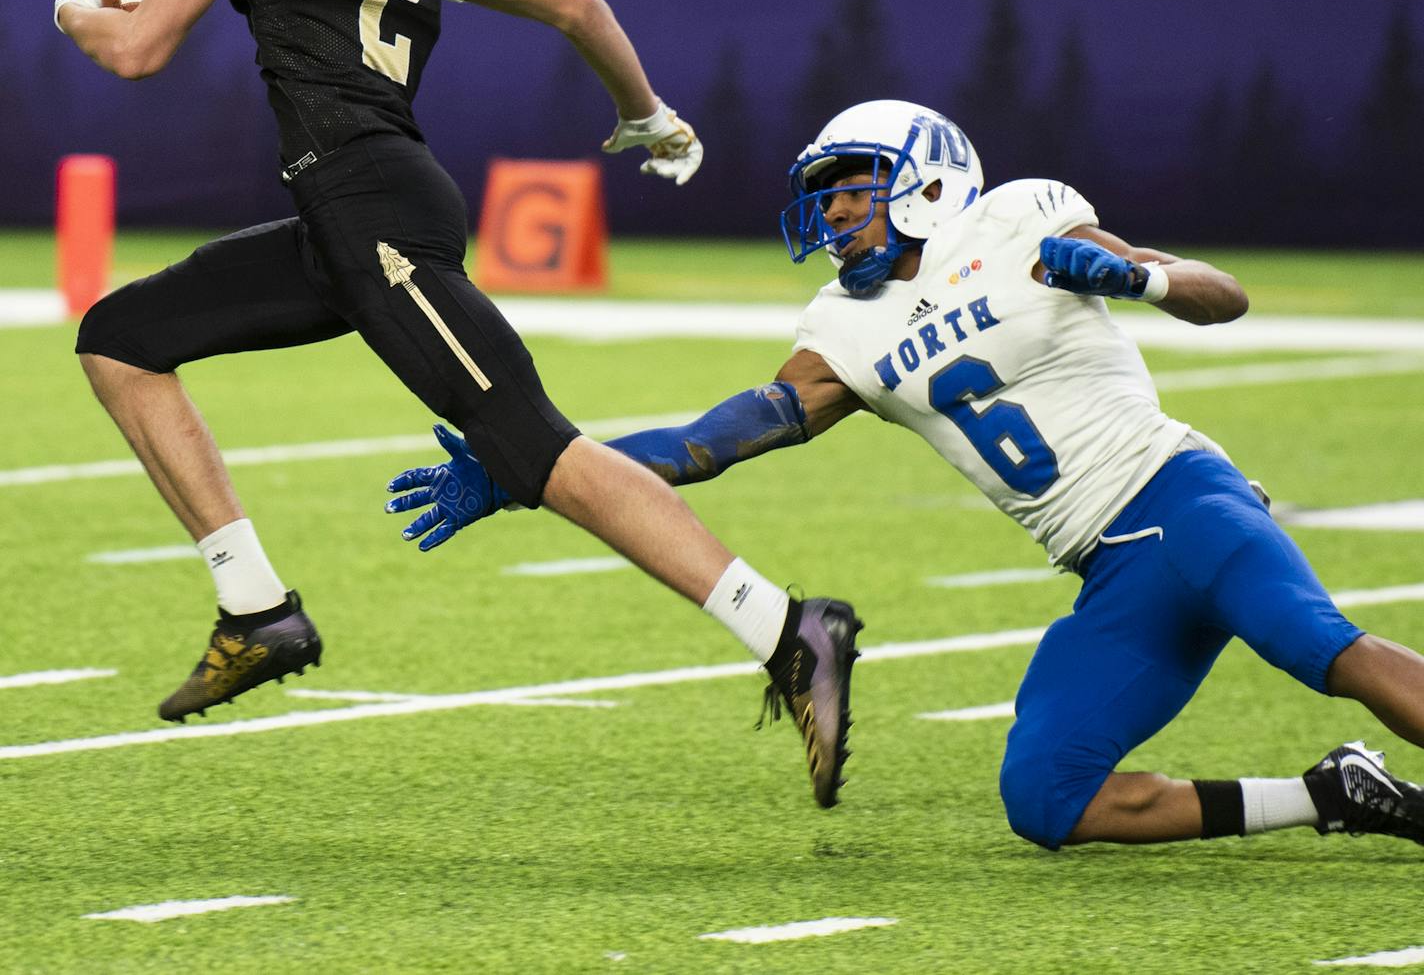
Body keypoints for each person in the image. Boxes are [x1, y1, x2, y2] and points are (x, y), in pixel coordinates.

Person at [53, 0, 861, 809]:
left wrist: (78, 6)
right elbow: (578, 6)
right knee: (123, 337)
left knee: (536, 448)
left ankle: (784, 628)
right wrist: (647, 117)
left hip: (369, 213)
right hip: (361, 212)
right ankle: (256, 608)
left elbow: (137, 50)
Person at [387, 98, 1424, 849]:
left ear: (927, 181)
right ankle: (1330, 796)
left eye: (851, 191)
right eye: (823, 200)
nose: (833, 216)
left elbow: (1223, 298)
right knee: (1047, 803)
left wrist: (1138, 275)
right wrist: (535, 467)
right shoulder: (845, 327)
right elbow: (715, 440)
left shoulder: (1022, 222)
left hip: (1179, 497)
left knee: (1322, 649)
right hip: (1108, 569)